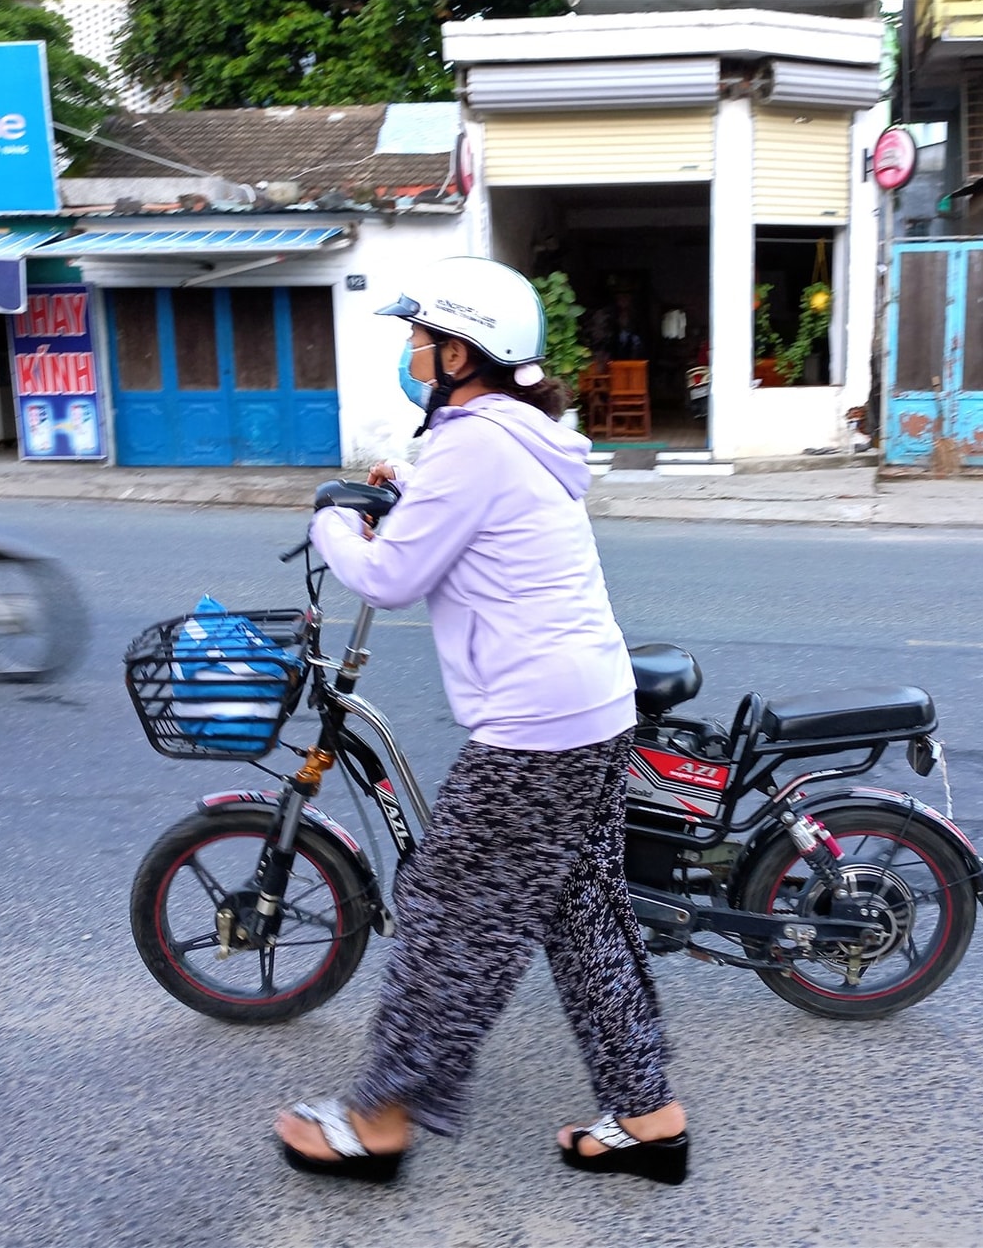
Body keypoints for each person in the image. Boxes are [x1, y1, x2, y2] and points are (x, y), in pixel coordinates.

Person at [275, 257, 689, 1185]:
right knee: (580, 912)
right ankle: (648, 1112)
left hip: (537, 728)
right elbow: (458, 517)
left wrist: (333, 518)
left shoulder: (472, 441)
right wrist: (403, 487)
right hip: (592, 708)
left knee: (447, 913)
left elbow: (390, 576)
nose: (414, 351)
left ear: (463, 350)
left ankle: (378, 1120)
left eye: (423, 337)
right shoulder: (517, 432)